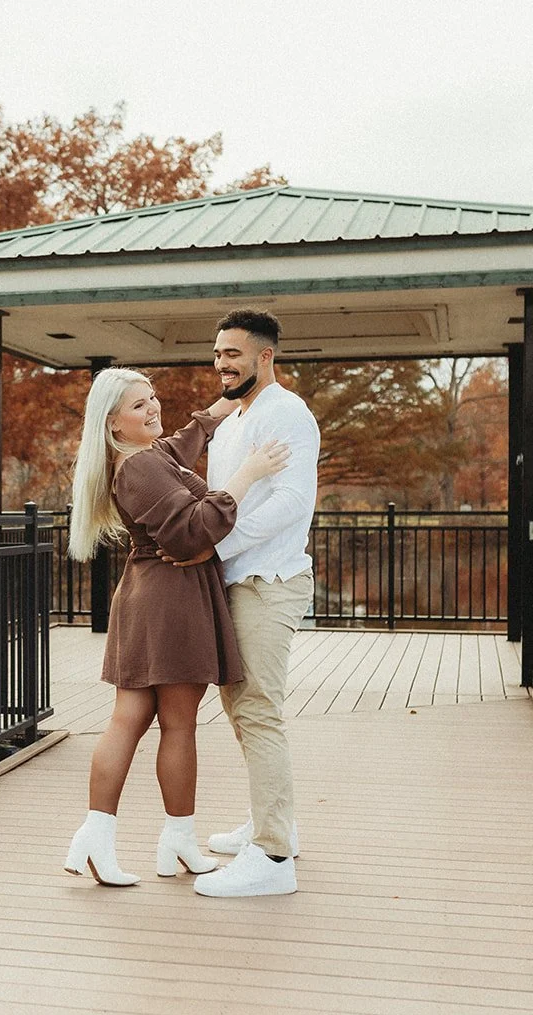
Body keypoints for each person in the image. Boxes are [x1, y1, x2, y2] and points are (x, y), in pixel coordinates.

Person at [63, 367, 289, 886]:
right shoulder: (138, 468)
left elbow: (183, 444)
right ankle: (175, 840)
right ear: (113, 423)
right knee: (177, 725)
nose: (153, 408)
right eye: (139, 405)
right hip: (171, 598)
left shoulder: (147, 457)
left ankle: (105, 838)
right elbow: (193, 532)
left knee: (130, 720)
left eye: (153, 397)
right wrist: (248, 472)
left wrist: (217, 411)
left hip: (149, 598)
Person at [175, 309, 320, 898]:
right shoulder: (237, 417)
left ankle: (274, 856)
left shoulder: (287, 413)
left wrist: (215, 542)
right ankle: (273, 819)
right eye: (216, 354)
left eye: (232, 354)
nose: (220, 364)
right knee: (240, 707)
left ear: (265, 358)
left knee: (257, 709)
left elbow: (291, 503)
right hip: (235, 578)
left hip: (269, 578)